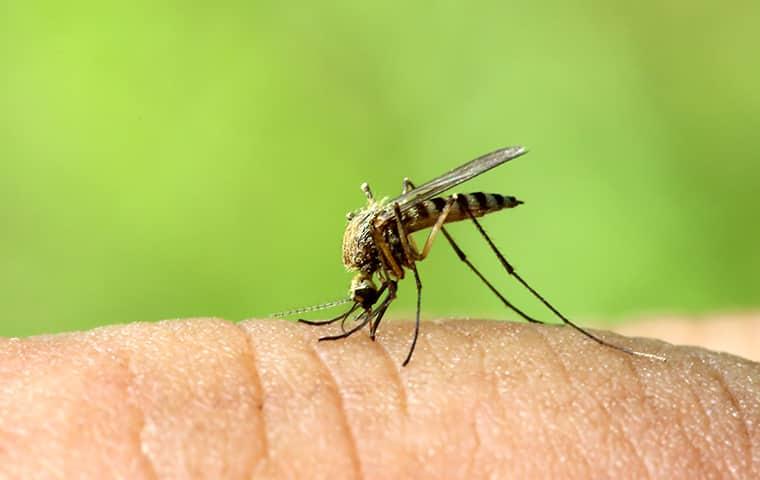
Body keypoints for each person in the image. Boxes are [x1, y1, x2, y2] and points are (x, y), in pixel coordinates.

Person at [1, 316, 758, 478]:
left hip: (419, 218)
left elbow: (402, 269)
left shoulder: (393, 256)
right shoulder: (374, 262)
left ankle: (522, 299)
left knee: (444, 231)